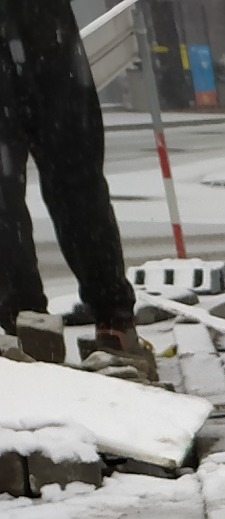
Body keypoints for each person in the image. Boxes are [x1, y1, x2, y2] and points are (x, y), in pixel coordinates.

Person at [0, 0, 145, 357]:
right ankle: (113, 324)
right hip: (45, 30)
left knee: (19, 198)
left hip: (41, 31)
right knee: (75, 180)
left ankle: (28, 330)